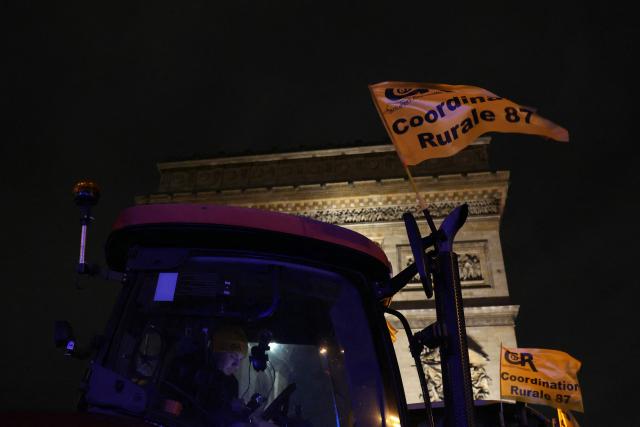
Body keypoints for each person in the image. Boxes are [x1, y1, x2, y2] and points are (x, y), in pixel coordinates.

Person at [195, 325, 275, 427]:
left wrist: (242, 412)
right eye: (233, 356)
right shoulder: (200, 378)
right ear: (215, 352)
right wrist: (230, 407)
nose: (236, 365)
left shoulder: (231, 382)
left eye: (240, 360)